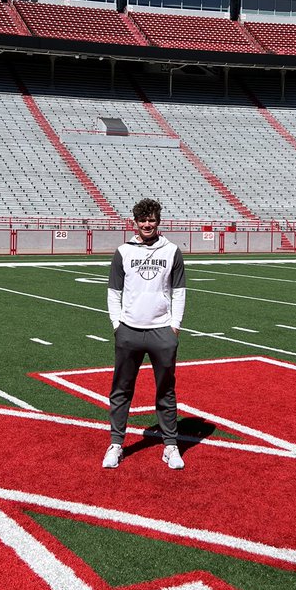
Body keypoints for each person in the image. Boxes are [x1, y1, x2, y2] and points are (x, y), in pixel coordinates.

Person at [103, 198, 186, 470]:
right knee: (122, 389)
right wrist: (118, 325)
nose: (147, 224)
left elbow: (179, 292)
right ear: (135, 223)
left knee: (166, 391)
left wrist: (174, 327)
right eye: (142, 220)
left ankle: (170, 446)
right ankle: (116, 443)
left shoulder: (172, 250)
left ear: (158, 221)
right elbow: (114, 293)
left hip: (162, 330)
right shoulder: (123, 251)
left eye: (151, 220)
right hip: (129, 330)